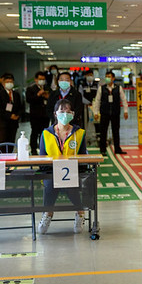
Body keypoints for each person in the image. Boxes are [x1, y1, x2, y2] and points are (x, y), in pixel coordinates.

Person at [38, 99, 88, 235]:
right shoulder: (46, 134)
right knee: (51, 183)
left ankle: (80, 213)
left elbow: (84, 157)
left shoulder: (80, 133)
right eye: (61, 111)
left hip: (73, 172)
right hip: (51, 172)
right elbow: (42, 159)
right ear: (55, 114)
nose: (65, 114)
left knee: (69, 183)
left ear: (73, 114)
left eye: (68, 111)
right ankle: (47, 214)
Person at [93, 70, 129, 155]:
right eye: (106, 77)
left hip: (115, 113)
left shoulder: (118, 88)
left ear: (113, 78)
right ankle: (102, 149)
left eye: (109, 77)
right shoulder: (101, 88)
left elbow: (124, 100)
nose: (107, 78)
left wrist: (125, 111)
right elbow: (97, 101)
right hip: (104, 113)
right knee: (103, 131)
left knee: (116, 131)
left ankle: (117, 149)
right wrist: (96, 112)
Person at [0, 73, 24, 144]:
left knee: (11, 142)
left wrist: (17, 115)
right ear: (3, 84)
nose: (9, 84)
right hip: (4, 123)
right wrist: (10, 116)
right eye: (7, 82)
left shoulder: (16, 94)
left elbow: (21, 107)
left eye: (11, 82)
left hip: (14, 123)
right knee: (2, 142)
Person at [25, 71, 51, 154]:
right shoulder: (31, 89)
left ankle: (43, 148)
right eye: (40, 79)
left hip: (45, 115)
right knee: (35, 132)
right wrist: (38, 95)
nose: (42, 81)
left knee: (44, 132)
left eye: (43, 79)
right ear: (36, 80)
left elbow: (52, 100)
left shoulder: (47, 88)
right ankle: (33, 149)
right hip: (35, 115)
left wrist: (48, 97)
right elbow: (28, 100)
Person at [78, 69, 100, 147]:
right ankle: (84, 138)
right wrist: (87, 102)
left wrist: (94, 103)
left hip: (95, 107)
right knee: (84, 122)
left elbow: (98, 95)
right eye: (88, 75)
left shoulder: (96, 84)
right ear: (85, 76)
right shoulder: (82, 85)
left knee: (96, 122)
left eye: (91, 75)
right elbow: (80, 96)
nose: (90, 77)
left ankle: (98, 137)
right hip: (85, 107)